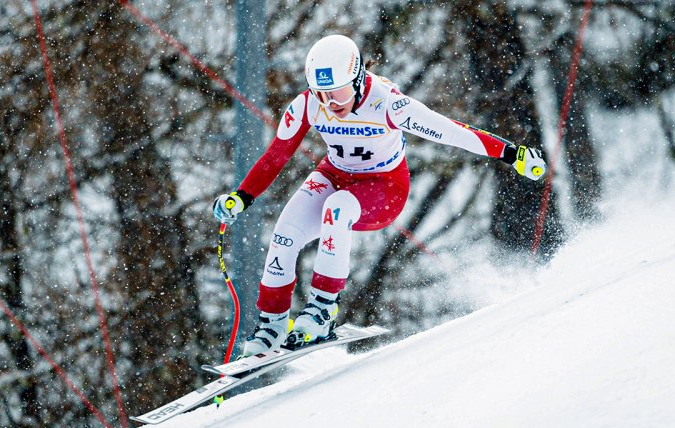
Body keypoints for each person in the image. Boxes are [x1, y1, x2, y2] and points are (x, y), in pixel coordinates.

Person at [213, 35, 546, 357]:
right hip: (335, 174)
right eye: (322, 94)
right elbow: (275, 156)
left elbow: (451, 131)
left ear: (358, 78)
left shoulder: (388, 104)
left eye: (339, 93)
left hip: (384, 188)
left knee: (337, 208)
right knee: (285, 233)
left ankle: (322, 311)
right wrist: (241, 197)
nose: (331, 104)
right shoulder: (306, 106)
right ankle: (270, 327)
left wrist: (511, 153)